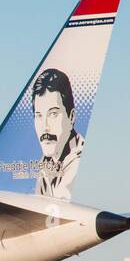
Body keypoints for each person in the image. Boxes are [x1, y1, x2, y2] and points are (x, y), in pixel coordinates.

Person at [31, 67, 84, 200]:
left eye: (53, 114)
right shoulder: (47, 162)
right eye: (39, 116)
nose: (45, 127)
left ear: (71, 117)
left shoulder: (76, 162)